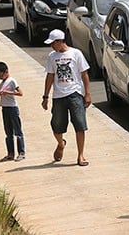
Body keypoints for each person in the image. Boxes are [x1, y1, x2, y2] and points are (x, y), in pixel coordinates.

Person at [41, 29, 91, 166]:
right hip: (58, 95)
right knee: (56, 125)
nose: (51, 46)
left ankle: (80, 155)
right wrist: (45, 96)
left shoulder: (76, 53)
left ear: (60, 41)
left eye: (53, 43)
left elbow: (84, 74)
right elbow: (50, 76)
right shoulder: (52, 56)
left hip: (75, 93)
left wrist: (87, 93)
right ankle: (61, 143)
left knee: (80, 125)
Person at [0, 61, 25, 162]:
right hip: (5, 108)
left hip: (12, 108)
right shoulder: (1, 83)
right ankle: (10, 153)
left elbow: (20, 93)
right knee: (8, 132)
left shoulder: (12, 81)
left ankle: (21, 152)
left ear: (6, 71)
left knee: (18, 131)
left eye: (0, 75)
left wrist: (8, 92)